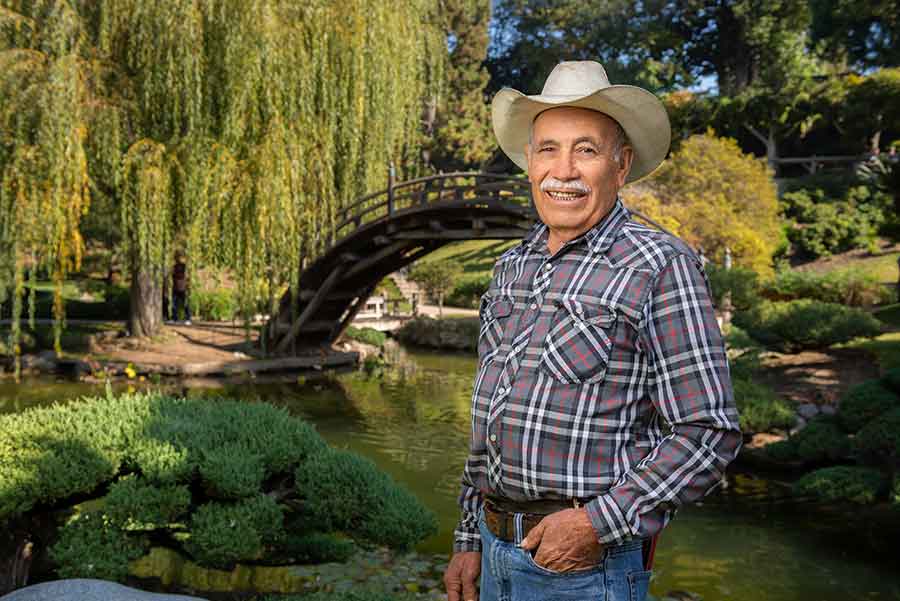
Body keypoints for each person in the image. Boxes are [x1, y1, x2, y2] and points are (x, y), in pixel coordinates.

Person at [443, 61, 741, 601]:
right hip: (492, 552)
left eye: (586, 149)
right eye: (548, 149)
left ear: (620, 165)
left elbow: (708, 431)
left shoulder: (658, 265)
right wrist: (468, 536)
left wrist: (597, 524)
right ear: (529, 163)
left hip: (585, 571)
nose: (564, 170)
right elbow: (487, 421)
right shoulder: (510, 268)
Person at [171, 253, 192, 325]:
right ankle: (175, 318)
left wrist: (188, 286)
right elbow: (173, 276)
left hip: (183, 288)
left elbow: (185, 276)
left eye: (177, 257)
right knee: (174, 304)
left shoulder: (184, 266)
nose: (176, 259)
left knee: (185, 304)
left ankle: (188, 318)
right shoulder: (174, 266)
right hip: (175, 288)